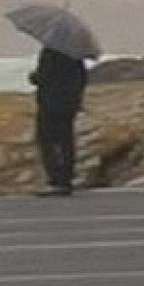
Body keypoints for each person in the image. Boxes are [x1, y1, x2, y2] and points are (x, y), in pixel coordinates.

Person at [29, 46, 87, 197]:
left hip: (51, 103)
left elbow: (43, 77)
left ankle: (55, 179)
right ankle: (66, 178)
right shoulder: (75, 53)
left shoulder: (50, 52)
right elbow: (82, 78)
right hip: (69, 103)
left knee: (47, 141)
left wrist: (33, 77)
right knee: (66, 141)